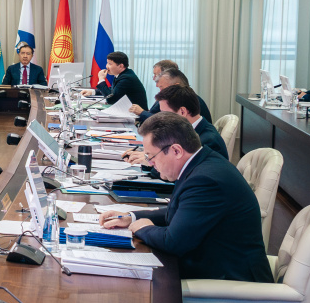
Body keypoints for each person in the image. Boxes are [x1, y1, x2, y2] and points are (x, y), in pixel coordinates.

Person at [102, 113, 272, 282]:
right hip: (211, 264)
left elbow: (173, 242)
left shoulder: (205, 180)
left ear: (176, 151)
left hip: (230, 281)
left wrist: (143, 228)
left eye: (151, 156)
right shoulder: (201, 163)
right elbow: (180, 211)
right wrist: (132, 217)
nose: (150, 163)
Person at [125, 85, 227, 167]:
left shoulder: (207, 141)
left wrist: (151, 161)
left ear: (182, 112)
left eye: (165, 113)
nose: (162, 118)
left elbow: (178, 172)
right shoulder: (185, 130)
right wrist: (149, 153)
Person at [132, 65, 212, 122]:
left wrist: (142, 112)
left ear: (176, 86)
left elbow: (163, 122)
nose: (160, 91)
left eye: (162, 88)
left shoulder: (186, 101)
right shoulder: (185, 98)